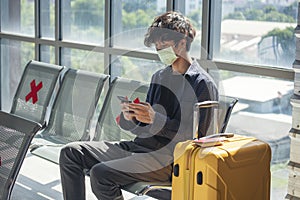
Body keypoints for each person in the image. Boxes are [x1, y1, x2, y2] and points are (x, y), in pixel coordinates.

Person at [59, 11, 218, 200]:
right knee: (71, 153)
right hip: (139, 148)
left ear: (182, 42)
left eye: (164, 45)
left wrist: (156, 119)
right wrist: (132, 118)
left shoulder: (202, 85)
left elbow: (198, 140)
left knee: (101, 174)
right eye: (157, 47)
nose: (160, 50)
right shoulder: (159, 77)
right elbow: (145, 127)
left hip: (168, 160)